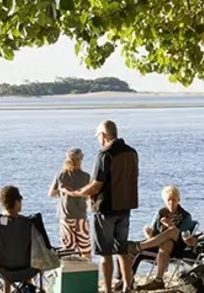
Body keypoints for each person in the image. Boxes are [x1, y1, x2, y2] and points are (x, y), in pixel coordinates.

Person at [62, 120, 140, 293]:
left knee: (105, 253)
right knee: (122, 249)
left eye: (98, 136)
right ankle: (128, 286)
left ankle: (109, 290)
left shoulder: (105, 155)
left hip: (105, 208)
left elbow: (96, 185)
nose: (98, 140)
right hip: (125, 207)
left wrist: (75, 193)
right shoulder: (132, 153)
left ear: (104, 136)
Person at [132, 186, 198, 290]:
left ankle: (158, 279)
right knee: (127, 250)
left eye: (174, 200)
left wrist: (169, 225)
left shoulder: (185, 216)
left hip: (178, 247)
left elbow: (182, 236)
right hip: (158, 245)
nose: (171, 203)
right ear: (164, 201)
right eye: (169, 200)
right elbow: (153, 235)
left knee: (168, 239)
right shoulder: (161, 212)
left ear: (178, 200)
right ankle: (126, 280)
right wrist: (148, 234)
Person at [48, 148, 92, 258]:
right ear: (80, 159)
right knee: (85, 249)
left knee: (68, 250)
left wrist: (62, 193)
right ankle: (87, 271)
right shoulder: (86, 177)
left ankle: (70, 272)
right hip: (81, 216)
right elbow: (89, 197)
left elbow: (51, 193)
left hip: (66, 217)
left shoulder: (61, 175)